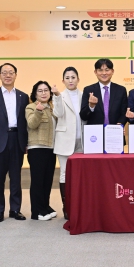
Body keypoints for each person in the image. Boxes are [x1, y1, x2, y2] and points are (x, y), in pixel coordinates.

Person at [0, 63, 29, 222]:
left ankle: (15, 210)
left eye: (11, 72)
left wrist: (26, 142)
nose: (8, 75)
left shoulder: (23, 96)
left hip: (17, 139)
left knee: (16, 178)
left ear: (15, 75)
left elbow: (25, 122)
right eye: (4, 72)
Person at [53, 67, 84, 220]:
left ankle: (80, 205)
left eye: (73, 77)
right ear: (63, 80)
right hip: (65, 140)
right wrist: (57, 96)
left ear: (78, 79)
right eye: (67, 78)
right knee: (65, 173)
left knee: (80, 175)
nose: (70, 80)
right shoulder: (59, 96)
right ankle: (66, 207)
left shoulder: (84, 95)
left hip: (82, 141)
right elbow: (58, 113)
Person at [26, 80, 57, 221]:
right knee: (38, 181)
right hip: (37, 148)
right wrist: (38, 111)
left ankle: (45, 206)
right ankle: (37, 212)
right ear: (35, 93)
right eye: (40, 91)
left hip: (51, 148)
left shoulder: (51, 108)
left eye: (46, 90)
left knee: (47, 180)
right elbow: (32, 124)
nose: (43, 93)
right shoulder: (31, 107)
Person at [80, 58, 128, 126]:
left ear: (112, 71)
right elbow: (83, 116)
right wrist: (91, 106)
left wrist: (120, 124)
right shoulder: (88, 90)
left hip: (115, 130)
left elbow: (124, 112)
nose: (104, 73)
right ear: (95, 72)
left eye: (107, 70)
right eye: (100, 70)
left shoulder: (121, 90)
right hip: (95, 131)